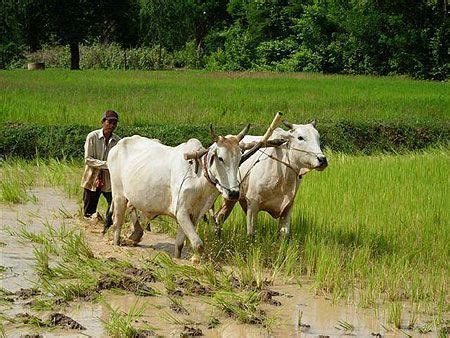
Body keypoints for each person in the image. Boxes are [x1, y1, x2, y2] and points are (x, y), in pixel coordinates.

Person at [80, 110, 120, 227]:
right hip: (92, 177)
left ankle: (107, 226)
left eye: (115, 123)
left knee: (114, 204)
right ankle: (90, 230)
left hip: (109, 179)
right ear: (103, 122)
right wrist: (108, 164)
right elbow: (88, 159)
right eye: (110, 122)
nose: (112, 125)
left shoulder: (118, 141)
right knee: (88, 212)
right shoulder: (92, 137)